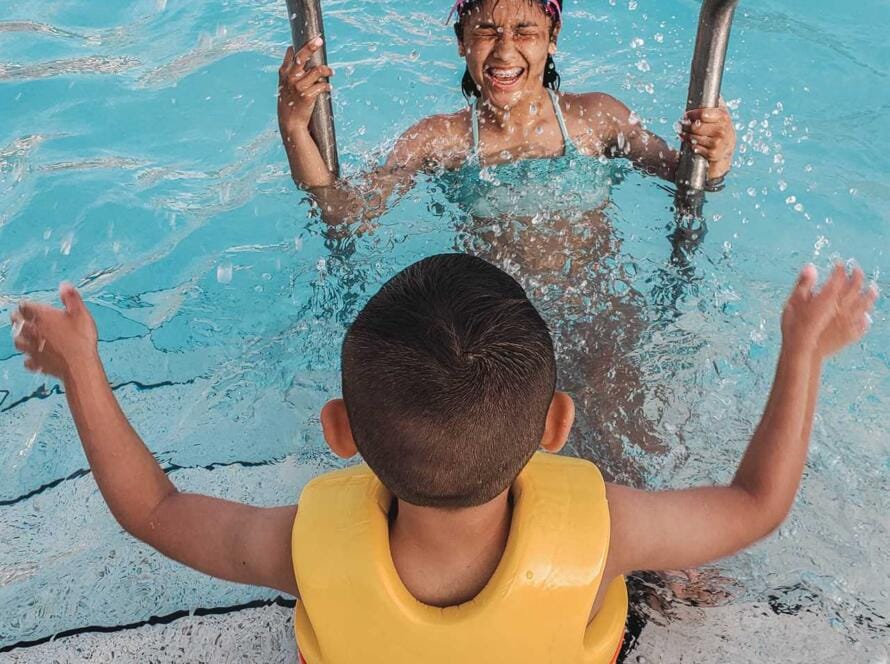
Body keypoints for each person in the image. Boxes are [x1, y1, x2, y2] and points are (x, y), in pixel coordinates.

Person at [10, 254, 876, 661]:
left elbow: (152, 511)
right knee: (665, 587)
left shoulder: (303, 554)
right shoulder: (606, 531)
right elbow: (756, 502)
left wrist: (82, 367)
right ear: (557, 425)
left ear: (339, 433)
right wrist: (801, 351)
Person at [277, 0, 736, 224]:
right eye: (487, 31)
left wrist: (715, 157)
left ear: (552, 38)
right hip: (491, 329)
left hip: (595, 317)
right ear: (462, 42)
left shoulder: (597, 118)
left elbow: (688, 184)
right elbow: (345, 216)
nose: (505, 51)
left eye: (525, 31)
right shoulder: (439, 139)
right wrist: (294, 125)